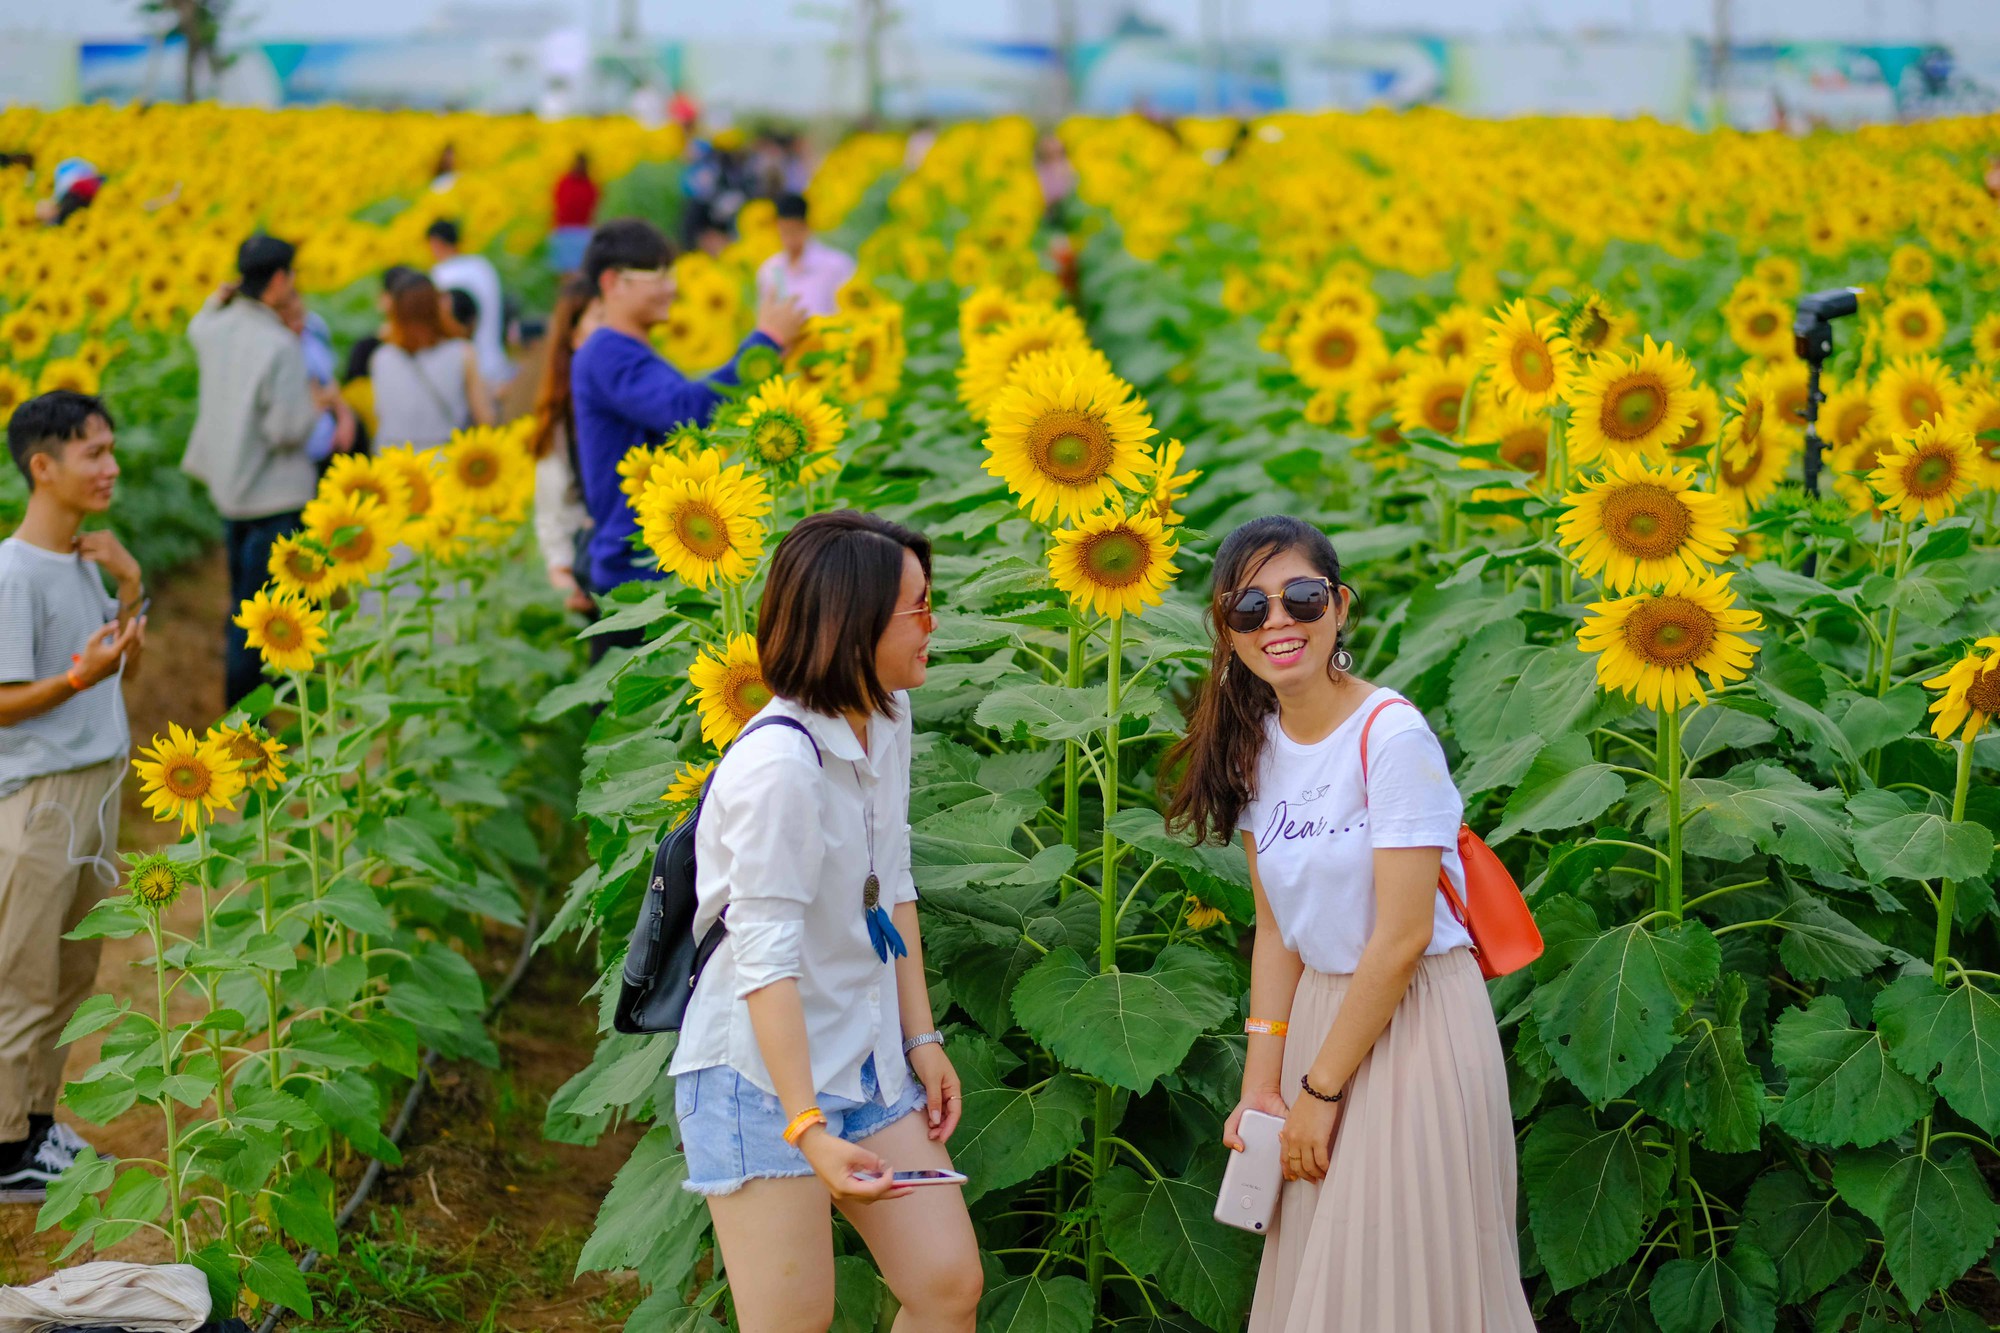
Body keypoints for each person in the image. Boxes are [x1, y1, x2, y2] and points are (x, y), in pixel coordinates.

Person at [1163, 516, 1535, 1333]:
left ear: (1338, 605)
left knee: (1402, 1277)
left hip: (1415, 1026)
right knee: (1329, 1280)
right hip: (1320, 1027)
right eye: (1250, 608)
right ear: (1228, 630)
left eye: (1301, 596)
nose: (1279, 622)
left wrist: (1318, 1091)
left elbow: (1401, 938)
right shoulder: (1257, 744)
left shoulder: (1389, 734)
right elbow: (1275, 930)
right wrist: (1265, 1083)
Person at [668, 509, 980, 1333]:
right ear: (851, 624)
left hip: (868, 1057)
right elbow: (764, 965)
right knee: (793, 1324)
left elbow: (894, 880)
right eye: (916, 606)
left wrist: (921, 1039)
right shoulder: (779, 769)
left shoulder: (885, 715)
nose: (932, 622)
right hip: (760, 1082)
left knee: (947, 1284)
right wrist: (805, 1126)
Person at [0, 391, 145, 1195]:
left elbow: (114, 678)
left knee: (71, 973)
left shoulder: (87, 561)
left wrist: (129, 588)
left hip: (95, 784)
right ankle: (1, 1146)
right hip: (42, 796)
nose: (111, 466)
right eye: (94, 453)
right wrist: (75, 676)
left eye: (112, 449)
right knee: (19, 977)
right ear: (42, 465)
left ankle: (35, 1126)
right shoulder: (14, 572)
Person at [570, 218, 805, 617]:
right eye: (657, 275)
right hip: (637, 569)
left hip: (657, 558)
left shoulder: (624, 350)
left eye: (671, 273)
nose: (671, 287)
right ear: (612, 283)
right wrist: (766, 341)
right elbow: (685, 410)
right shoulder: (608, 351)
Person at [182, 234, 333, 708]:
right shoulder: (279, 345)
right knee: (270, 618)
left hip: (231, 492)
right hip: (276, 498)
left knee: (241, 604)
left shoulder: (214, 329)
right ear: (282, 279)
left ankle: (247, 714)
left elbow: (195, 325)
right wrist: (317, 403)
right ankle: (249, 723)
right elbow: (289, 430)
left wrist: (218, 296)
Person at [529, 275, 599, 614]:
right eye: (599, 321)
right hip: (593, 568)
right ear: (572, 335)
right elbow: (551, 499)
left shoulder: (636, 390)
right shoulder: (563, 410)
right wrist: (560, 567)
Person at [368, 272, 492, 451]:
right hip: (445, 462)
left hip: (393, 463)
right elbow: (485, 419)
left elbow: (381, 414)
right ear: (438, 306)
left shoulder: (380, 358)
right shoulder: (462, 353)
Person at [277, 287, 357, 472]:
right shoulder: (277, 349)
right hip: (296, 455)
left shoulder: (314, 329)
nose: (298, 325)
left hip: (327, 440)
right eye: (291, 319)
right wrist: (323, 397)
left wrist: (344, 416)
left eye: (300, 316)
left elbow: (329, 383)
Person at [425, 219, 512, 389]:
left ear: (436, 243)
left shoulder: (440, 276)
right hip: (497, 360)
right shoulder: (482, 266)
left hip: (470, 374)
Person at [756, 193, 856, 319]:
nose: (789, 238)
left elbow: (849, 312)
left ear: (806, 226)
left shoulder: (836, 265)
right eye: (784, 231)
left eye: (794, 230)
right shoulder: (771, 270)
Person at [549, 151, 599, 275]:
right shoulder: (588, 185)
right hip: (574, 231)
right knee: (574, 273)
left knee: (571, 273)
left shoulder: (568, 182)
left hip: (571, 231)